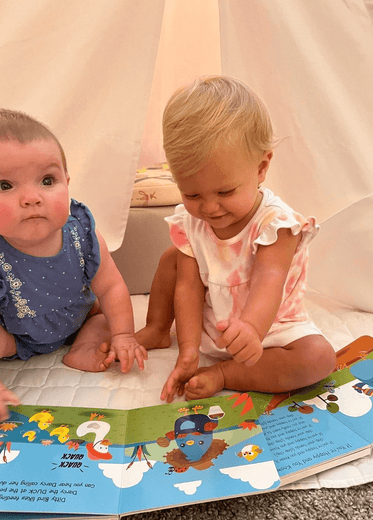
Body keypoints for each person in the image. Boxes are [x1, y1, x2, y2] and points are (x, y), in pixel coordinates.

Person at [136, 75, 336, 403]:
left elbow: (269, 279)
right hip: (212, 319)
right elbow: (187, 286)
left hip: (267, 330)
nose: (210, 207)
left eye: (225, 191)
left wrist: (253, 330)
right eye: (192, 193)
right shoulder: (191, 221)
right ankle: (158, 328)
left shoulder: (276, 224)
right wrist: (188, 350)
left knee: (319, 357)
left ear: (261, 167)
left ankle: (227, 374)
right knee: (171, 258)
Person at [0, 109, 148, 434]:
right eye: (4, 185)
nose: (32, 198)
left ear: (67, 183)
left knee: (103, 318)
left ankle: (82, 349)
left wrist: (125, 335)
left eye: (47, 181)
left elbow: (111, 288)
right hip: (15, 336)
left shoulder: (81, 235)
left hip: (78, 320)